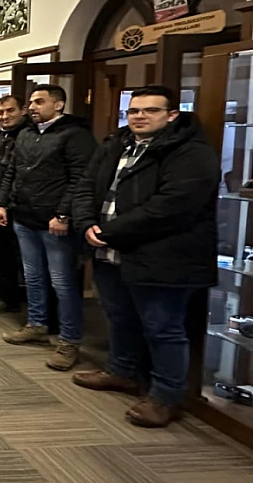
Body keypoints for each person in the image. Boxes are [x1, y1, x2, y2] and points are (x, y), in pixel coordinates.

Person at [72, 85, 218, 427]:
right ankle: (121, 371)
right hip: (107, 248)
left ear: (171, 115)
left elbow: (171, 206)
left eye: (150, 110)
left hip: (163, 255)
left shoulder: (191, 152)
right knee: (119, 315)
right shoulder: (116, 143)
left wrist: (110, 231)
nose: (139, 116)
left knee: (163, 327)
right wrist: (86, 223)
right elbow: (85, 185)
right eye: (134, 110)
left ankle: (165, 397)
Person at [0, 84, 96, 371]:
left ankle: (69, 340)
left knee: (62, 283)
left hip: (55, 222)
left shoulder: (74, 135)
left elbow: (80, 179)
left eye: (40, 102)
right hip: (24, 217)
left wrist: (63, 214)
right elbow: (12, 170)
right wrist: (3, 203)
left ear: (59, 104)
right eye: (31, 102)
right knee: (33, 277)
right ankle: (37, 325)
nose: (33, 107)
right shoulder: (26, 134)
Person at [0, 95, 29, 315]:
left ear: (23, 110)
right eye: (0, 112)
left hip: (16, 206)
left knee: (21, 256)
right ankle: (6, 297)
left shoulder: (28, 136)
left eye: (10, 111)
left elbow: (16, 174)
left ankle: (29, 303)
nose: (4, 116)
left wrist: (5, 202)